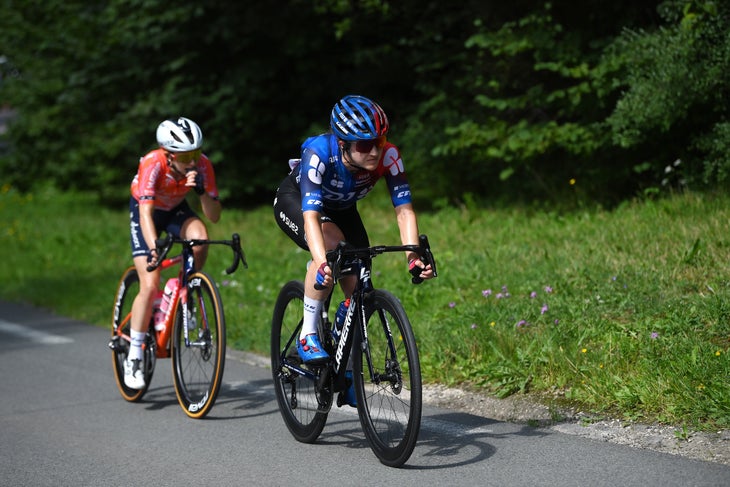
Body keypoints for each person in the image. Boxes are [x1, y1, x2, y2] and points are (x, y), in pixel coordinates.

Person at [273, 95, 434, 403]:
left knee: (359, 278)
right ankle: (308, 334)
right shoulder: (320, 153)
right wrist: (321, 263)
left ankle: (344, 365)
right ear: (343, 143)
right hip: (297, 202)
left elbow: (404, 211)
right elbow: (311, 216)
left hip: (343, 208)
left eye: (379, 140)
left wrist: (412, 256)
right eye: (363, 145)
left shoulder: (389, 156)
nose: (374, 151)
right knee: (333, 249)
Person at [124, 117, 221, 389]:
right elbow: (144, 212)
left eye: (196, 153)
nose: (193, 162)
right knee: (150, 282)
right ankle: (134, 356)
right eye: (185, 156)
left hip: (176, 210)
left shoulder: (202, 166)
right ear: (168, 154)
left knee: (200, 240)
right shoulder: (153, 162)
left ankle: (186, 292)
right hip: (147, 212)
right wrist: (154, 246)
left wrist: (202, 193)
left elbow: (213, 216)